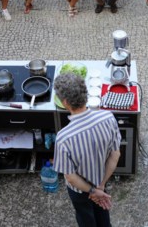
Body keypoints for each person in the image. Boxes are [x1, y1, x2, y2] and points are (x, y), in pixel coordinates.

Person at [52, 73, 121, 227]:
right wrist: (100, 186)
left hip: (79, 191)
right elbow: (115, 154)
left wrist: (92, 191)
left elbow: (70, 177)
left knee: (86, 219)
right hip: (101, 182)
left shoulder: (63, 138)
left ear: (65, 103)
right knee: (103, 215)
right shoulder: (108, 118)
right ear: (85, 94)